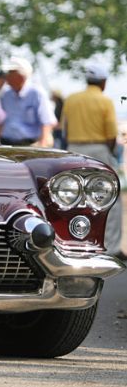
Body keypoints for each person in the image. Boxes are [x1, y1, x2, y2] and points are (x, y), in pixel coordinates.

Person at [62, 63, 124, 259]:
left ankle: (71, 244)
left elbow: (64, 129)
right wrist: (111, 152)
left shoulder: (71, 100)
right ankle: (112, 249)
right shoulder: (104, 101)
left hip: (73, 150)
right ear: (103, 82)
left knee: (73, 198)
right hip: (98, 150)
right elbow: (111, 135)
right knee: (109, 198)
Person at [0, 56, 57, 147]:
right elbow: (1, 121)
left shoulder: (37, 93)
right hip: (6, 144)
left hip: (29, 145)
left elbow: (47, 122)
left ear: (21, 76)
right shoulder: (6, 94)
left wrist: (42, 146)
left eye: (10, 73)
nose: (6, 76)